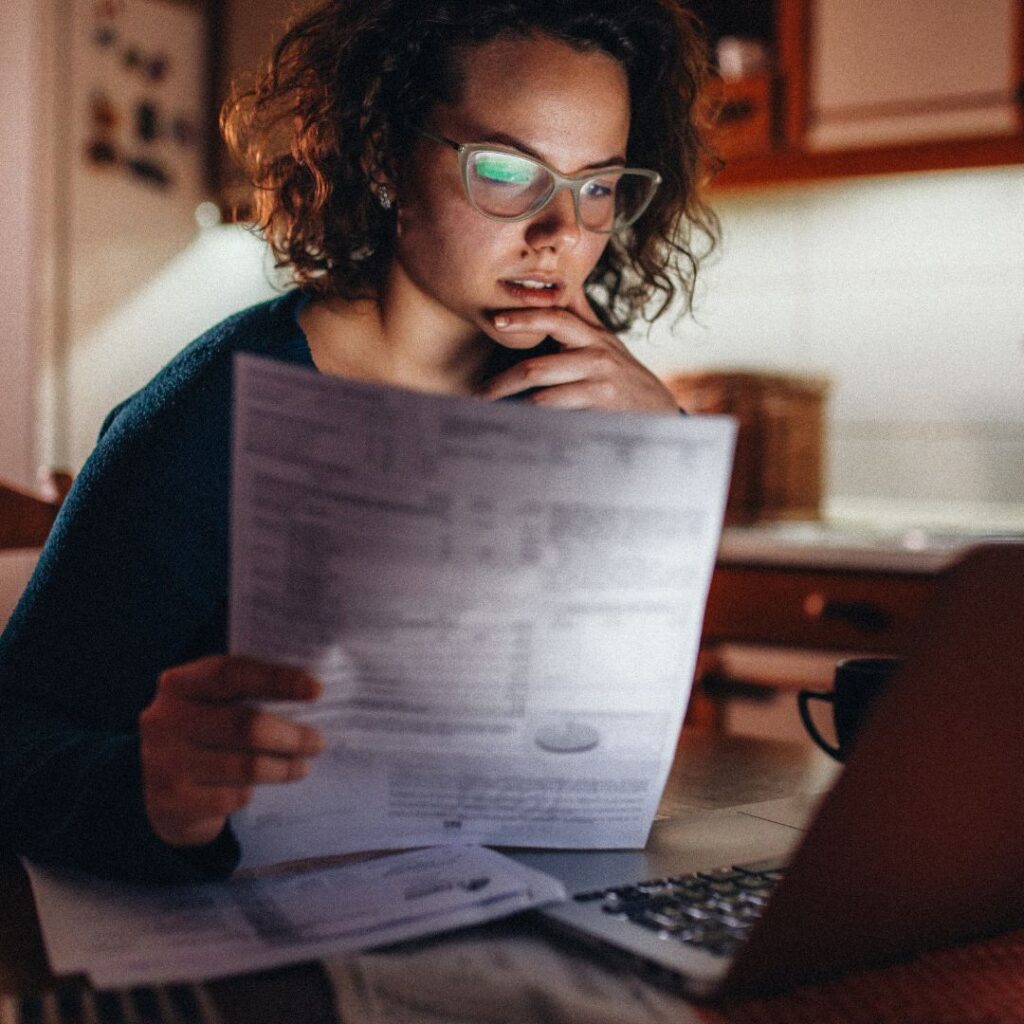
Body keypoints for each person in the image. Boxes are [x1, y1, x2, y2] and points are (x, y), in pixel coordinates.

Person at [0, 0, 718, 883]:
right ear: (383, 158)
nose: (563, 234)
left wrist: (663, 462)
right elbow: (17, 733)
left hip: (515, 909)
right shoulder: (210, 409)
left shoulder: (594, 407)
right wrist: (152, 792)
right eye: (506, 170)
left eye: (597, 185)